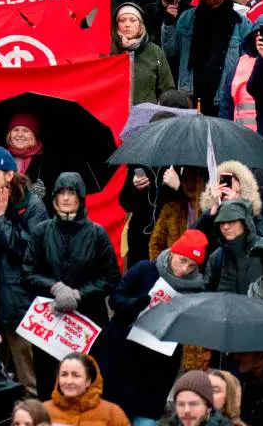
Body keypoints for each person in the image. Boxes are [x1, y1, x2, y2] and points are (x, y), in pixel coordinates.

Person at [22, 172, 120, 398]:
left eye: (72, 193)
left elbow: (112, 278)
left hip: (87, 322)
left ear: (81, 198)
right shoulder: (42, 231)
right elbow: (27, 273)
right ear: (54, 197)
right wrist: (54, 287)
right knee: (50, 386)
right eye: (61, 193)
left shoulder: (97, 234)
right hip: (50, 323)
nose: (66, 198)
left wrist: (79, 294)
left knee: (86, 386)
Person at [99, 231, 209, 424]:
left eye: (192, 265)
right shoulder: (146, 269)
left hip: (158, 365)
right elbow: (115, 299)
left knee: (146, 418)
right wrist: (136, 304)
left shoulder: (195, 288)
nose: (184, 269)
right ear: (173, 253)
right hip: (123, 355)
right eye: (182, 260)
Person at [0, 147, 48, 394]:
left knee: (28, 378)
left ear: (9, 175)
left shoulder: (34, 205)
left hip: (21, 301)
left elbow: (29, 251)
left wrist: (0, 219)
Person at [164, 0, 253, 116]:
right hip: (191, 95)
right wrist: (169, 23)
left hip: (223, 98)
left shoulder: (241, 24)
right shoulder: (187, 18)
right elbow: (170, 51)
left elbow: (248, 63)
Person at [112, 3, 174, 105]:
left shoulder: (154, 51)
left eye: (133, 20)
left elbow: (168, 90)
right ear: (116, 24)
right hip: (114, 117)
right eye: (122, 20)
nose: (127, 25)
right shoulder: (108, 51)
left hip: (147, 117)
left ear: (141, 24)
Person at [43, 353, 129, 426]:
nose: (69, 381)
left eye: (76, 375)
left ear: (88, 380)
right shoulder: (43, 410)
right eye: (64, 375)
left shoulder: (112, 413)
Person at [203, 199, 262, 294]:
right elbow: (208, 295)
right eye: (222, 223)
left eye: (231, 221)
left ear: (244, 223)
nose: (226, 227)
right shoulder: (216, 257)